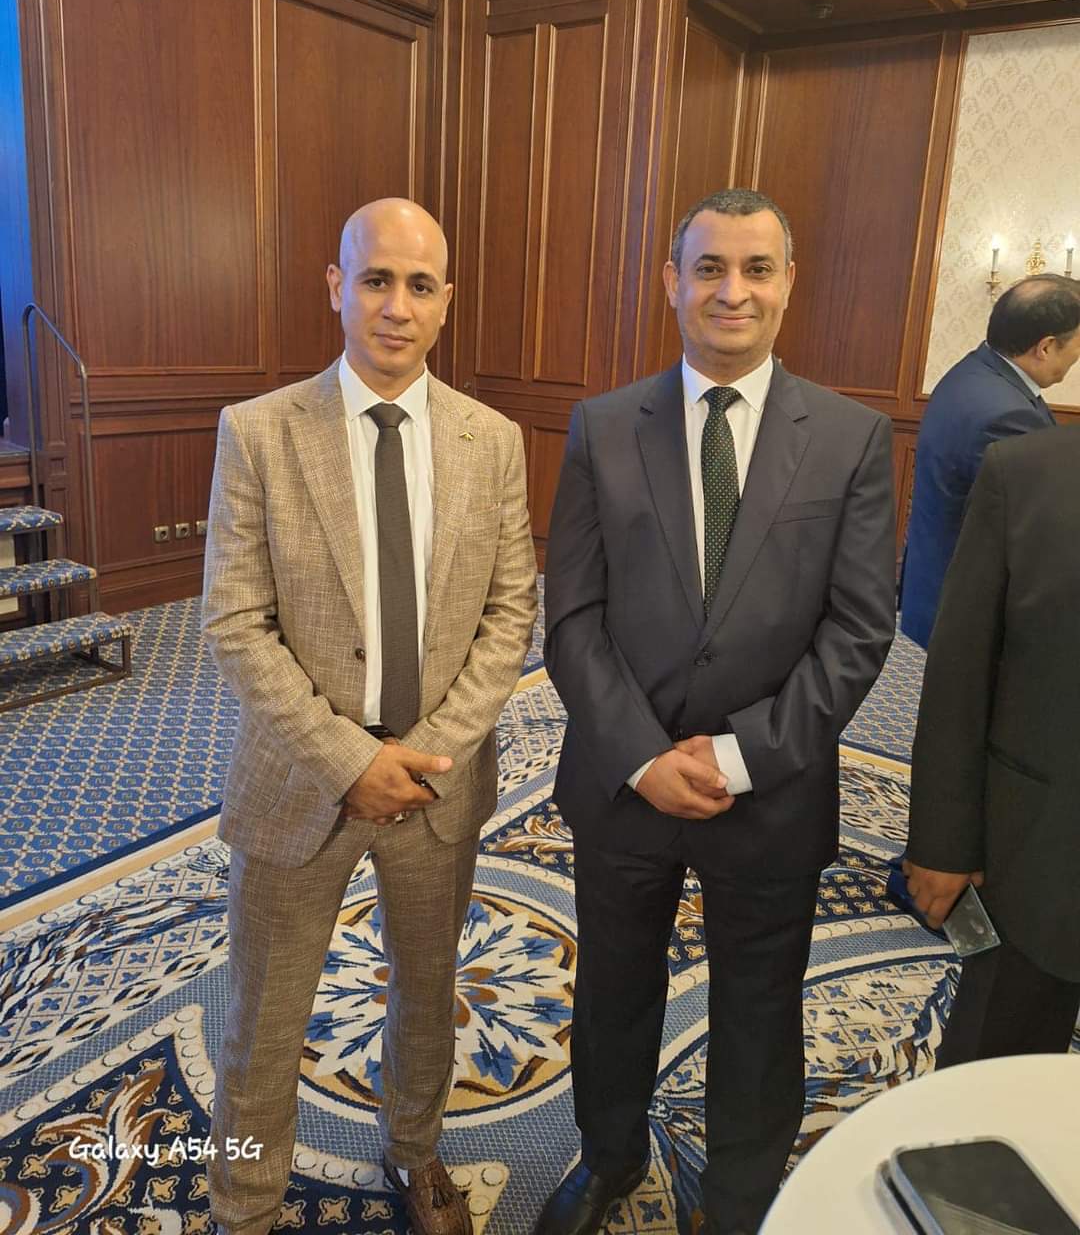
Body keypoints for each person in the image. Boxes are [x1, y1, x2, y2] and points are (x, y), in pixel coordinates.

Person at [534, 189, 896, 1235]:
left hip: (770, 788)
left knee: (759, 1002)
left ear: (789, 284)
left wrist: (740, 758)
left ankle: (741, 1195)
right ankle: (608, 1159)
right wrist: (644, 757)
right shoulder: (603, 426)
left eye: (756, 268)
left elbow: (858, 631)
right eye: (709, 267)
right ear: (671, 282)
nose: (732, 291)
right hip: (624, 782)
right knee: (613, 990)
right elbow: (573, 618)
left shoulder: (853, 436)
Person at [201, 198, 537, 1235]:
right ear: (336, 287)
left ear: (446, 301)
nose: (398, 305)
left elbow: (510, 613)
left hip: (438, 784)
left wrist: (427, 751)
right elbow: (236, 621)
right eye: (377, 280)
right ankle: (244, 1205)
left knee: (428, 992)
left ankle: (415, 1152)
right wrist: (352, 760)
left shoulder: (493, 440)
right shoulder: (260, 431)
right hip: (300, 780)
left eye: (420, 285)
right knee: (265, 1018)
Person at [904, 424, 1080, 1064]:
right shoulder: (1026, 473)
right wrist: (943, 841)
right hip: (1042, 852)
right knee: (992, 1073)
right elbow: (961, 671)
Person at [899, 274, 1080, 649]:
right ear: (1046, 347)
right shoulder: (1006, 415)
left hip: (935, 581)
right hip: (969, 610)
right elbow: (1034, 531)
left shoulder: (976, 371)